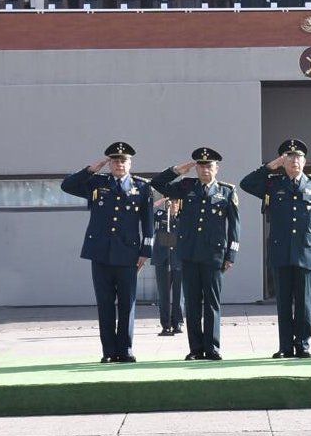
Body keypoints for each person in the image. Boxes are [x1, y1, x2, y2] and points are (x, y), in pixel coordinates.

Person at [60, 142, 154, 363]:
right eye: (114, 160)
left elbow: (148, 223)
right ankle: (109, 352)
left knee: (126, 303)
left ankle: (125, 349)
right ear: (109, 163)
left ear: (130, 163)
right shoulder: (96, 183)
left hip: (128, 254)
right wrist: (91, 168)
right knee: (104, 303)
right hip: (100, 252)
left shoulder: (142, 187)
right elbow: (67, 186)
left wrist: (145, 252)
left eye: (123, 160)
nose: (119, 164)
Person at [241, 139, 311, 359]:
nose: (294, 161)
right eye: (289, 158)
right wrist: (270, 166)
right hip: (280, 251)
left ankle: (303, 344)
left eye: (298, 157)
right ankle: (285, 346)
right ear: (283, 161)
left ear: (305, 161)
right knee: (283, 302)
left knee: (303, 302)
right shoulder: (273, 184)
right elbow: (246, 183)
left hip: (306, 250)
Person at [151, 147, 240, 361]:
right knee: (191, 304)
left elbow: (234, 226)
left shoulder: (226, 192)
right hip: (189, 254)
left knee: (211, 303)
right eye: (200, 165)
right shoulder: (186, 186)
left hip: (214, 255)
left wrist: (231, 255)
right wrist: (176, 170)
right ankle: (196, 349)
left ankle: (212, 347)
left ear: (216, 168)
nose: (204, 169)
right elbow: (158, 184)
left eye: (209, 166)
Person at [151, 198, 184, 336]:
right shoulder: (159, 216)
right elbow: (147, 212)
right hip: (162, 259)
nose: (173, 205)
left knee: (178, 294)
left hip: (178, 259)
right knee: (164, 295)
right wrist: (160, 201)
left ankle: (177, 323)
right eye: (170, 202)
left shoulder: (183, 217)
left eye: (176, 202)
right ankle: (166, 325)